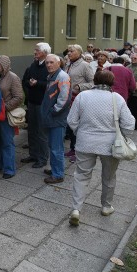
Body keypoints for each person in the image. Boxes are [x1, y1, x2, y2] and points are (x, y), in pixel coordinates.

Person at [66, 70, 135, 226]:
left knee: (81, 175)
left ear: (95, 81)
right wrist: (124, 135)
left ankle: (76, 209)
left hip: (85, 143)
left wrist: (80, 131)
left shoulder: (82, 96)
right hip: (110, 145)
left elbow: (71, 120)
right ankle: (106, 206)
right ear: (112, 83)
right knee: (109, 177)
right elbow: (129, 123)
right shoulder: (116, 98)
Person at [0, 55, 23, 178]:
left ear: (4, 65)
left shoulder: (13, 78)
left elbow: (19, 97)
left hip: (5, 115)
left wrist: (4, 108)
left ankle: (9, 169)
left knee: (6, 142)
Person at [41, 54, 71, 184]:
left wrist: (53, 111)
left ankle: (58, 174)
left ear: (59, 63)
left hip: (57, 119)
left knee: (56, 147)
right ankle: (55, 169)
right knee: (52, 145)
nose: (48, 65)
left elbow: (64, 99)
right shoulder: (52, 76)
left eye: (51, 62)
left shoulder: (63, 76)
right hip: (51, 118)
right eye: (47, 63)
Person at [22, 43, 50, 168]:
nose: (34, 52)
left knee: (41, 132)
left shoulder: (49, 66)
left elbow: (50, 84)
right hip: (32, 102)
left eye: (37, 50)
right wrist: (30, 83)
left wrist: (37, 83)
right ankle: (33, 154)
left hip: (42, 103)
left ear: (44, 52)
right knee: (32, 130)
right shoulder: (33, 65)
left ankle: (43, 158)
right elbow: (25, 80)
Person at [64, 44, 94, 162]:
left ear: (79, 52)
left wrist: (79, 86)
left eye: (71, 51)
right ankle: (73, 148)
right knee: (71, 125)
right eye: (68, 51)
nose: (69, 53)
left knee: (78, 126)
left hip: (79, 98)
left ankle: (79, 152)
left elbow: (93, 82)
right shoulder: (68, 64)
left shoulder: (85, 65)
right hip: (68, 98)